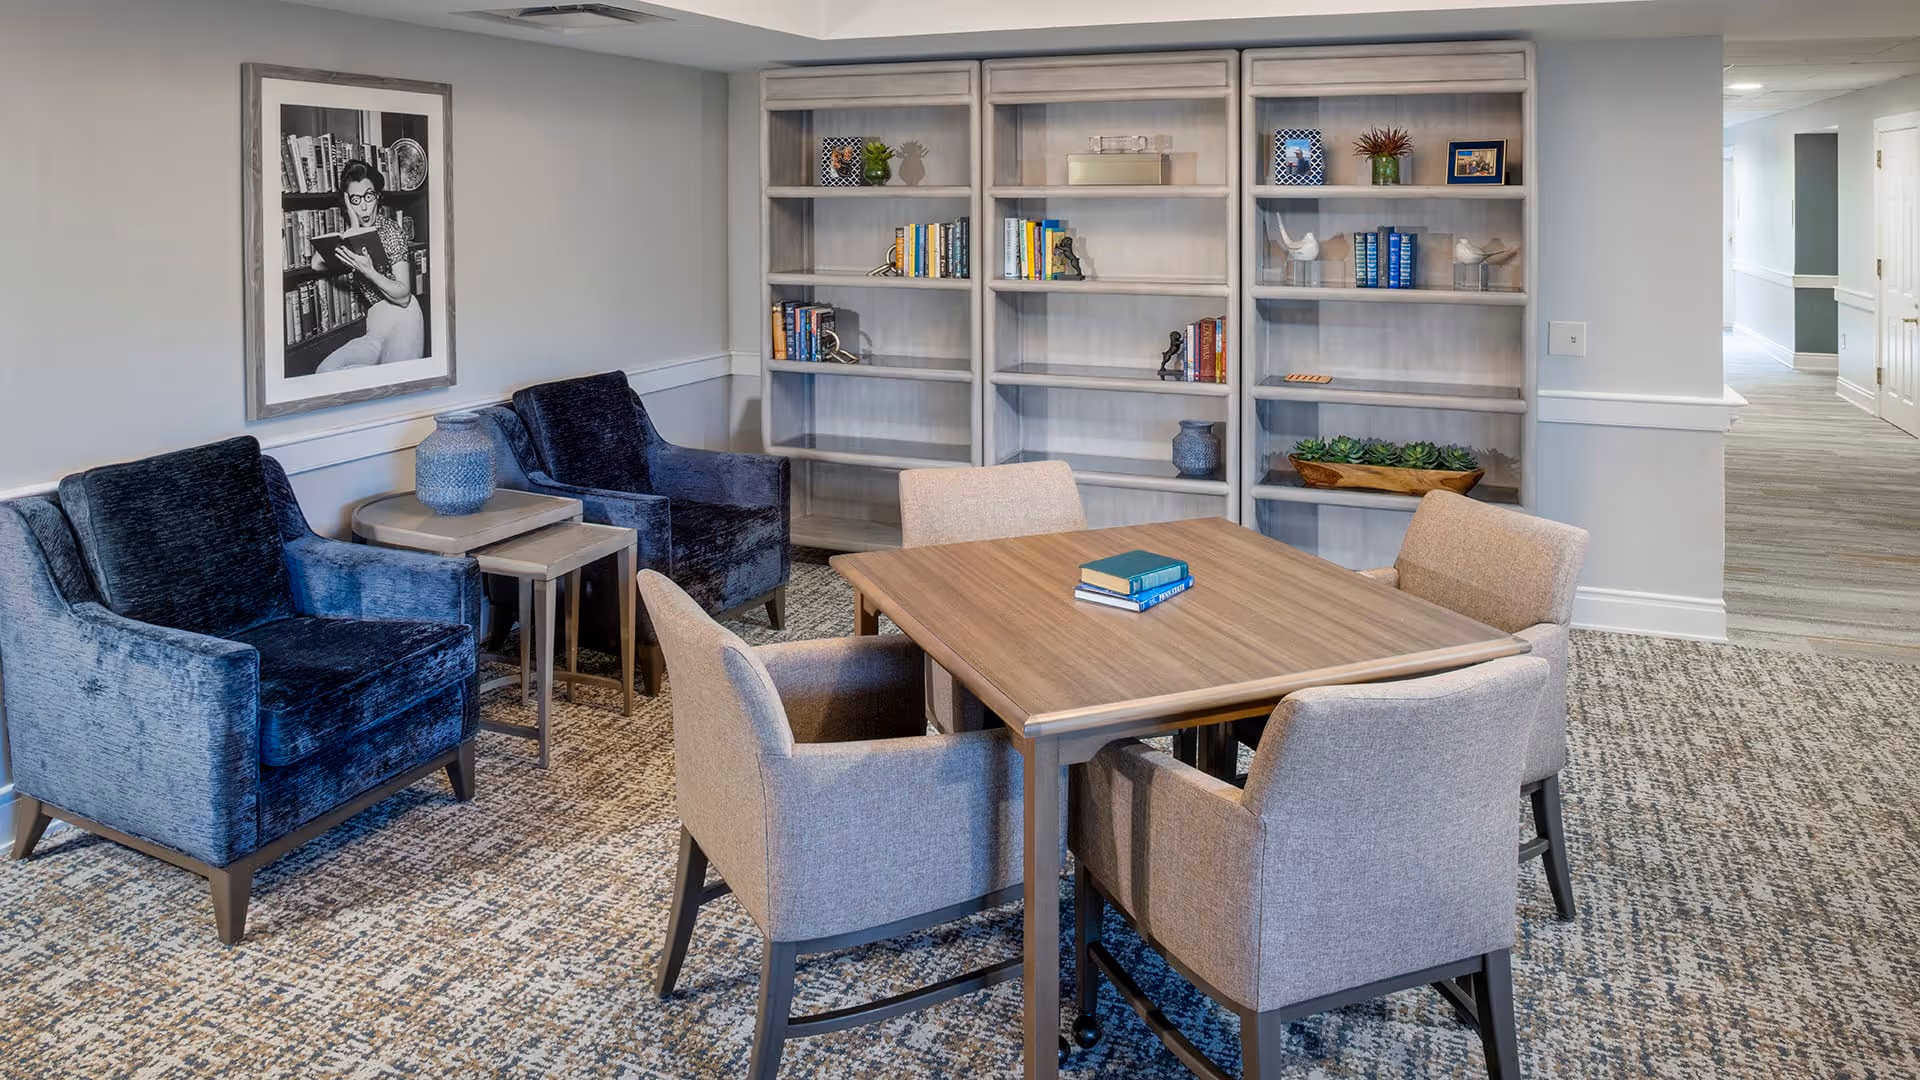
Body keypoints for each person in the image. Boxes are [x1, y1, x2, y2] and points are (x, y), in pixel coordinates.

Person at [311, 160, 423, 371]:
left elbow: (404, 295)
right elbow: (316, 264)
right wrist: (352, 229)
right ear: (348, 203)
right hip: (376, 326)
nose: (363, 206)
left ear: (377, 197)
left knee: (394, 383)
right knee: (325, 371)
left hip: (403, 319)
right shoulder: (351, 234)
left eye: (368, 197)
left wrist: (368, 271)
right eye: (355, 199)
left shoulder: (391, 231)